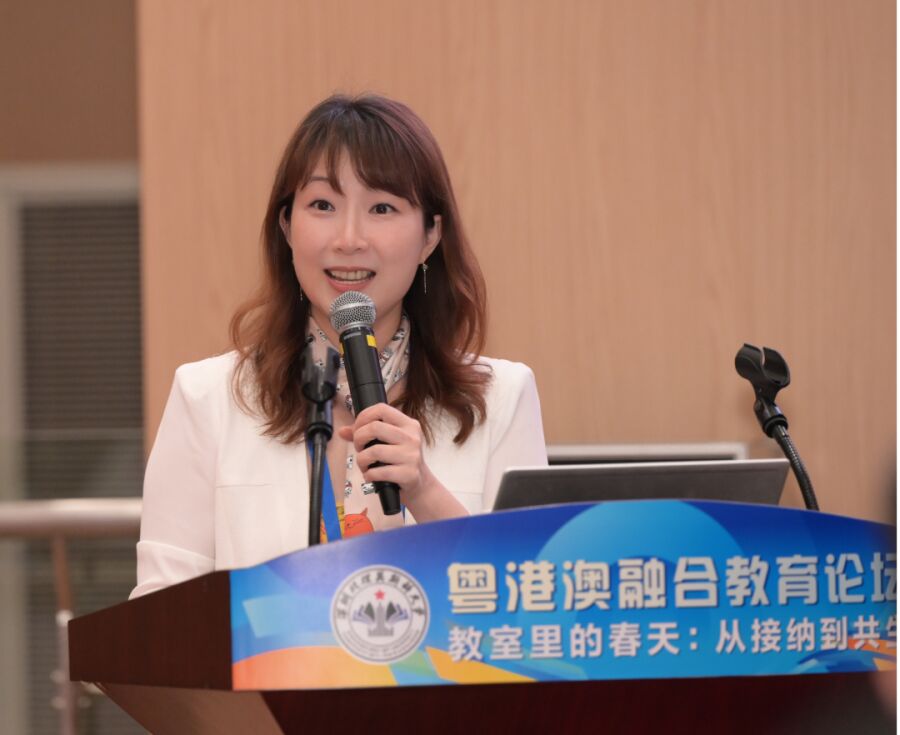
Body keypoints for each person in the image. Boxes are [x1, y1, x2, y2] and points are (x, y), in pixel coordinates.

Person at [132, 94, 547, 598]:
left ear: (430, 236)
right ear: (287, 225)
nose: (349, 239)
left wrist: (424, 491)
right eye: (323, 206)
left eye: (382, 208)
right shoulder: (207, 398)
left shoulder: (502, 398)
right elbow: (159, 613)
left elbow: (533, 600)